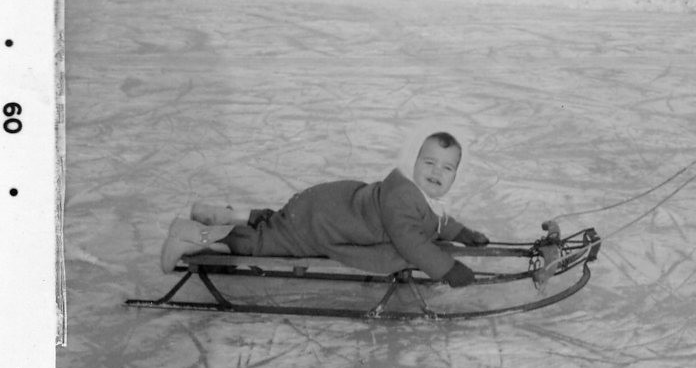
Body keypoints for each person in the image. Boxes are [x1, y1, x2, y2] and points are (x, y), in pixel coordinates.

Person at [160, 131, 490, 288]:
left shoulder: (413, 191)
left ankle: (225, 214)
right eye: (429, 162)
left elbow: (435, 219)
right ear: (412, 161)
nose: (436, 173)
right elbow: (411, 243)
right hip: (320, 222)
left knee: (278, 225)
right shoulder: (403, 198)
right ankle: (191, 236)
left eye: (447, 169)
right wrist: (447, 269)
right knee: (266, 242)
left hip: (325, 207)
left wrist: (460, 233)